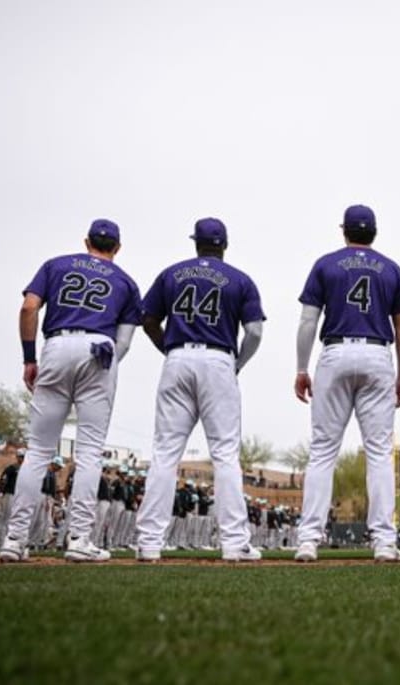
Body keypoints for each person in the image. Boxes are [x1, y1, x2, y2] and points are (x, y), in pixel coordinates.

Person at [0, 219, 141, 563]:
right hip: (99, 348)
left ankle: (15, 539)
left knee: (37, 452)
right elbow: (123, 342)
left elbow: (28, 308)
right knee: (90, 452)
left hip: (57, 344)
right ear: (117, 248)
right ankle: (79, 539)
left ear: (86, 241)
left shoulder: (55, 264)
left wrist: (29, 358)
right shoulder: (125, 280)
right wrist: (109, 360)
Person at [135, 219, 264, 563]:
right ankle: (234, 543)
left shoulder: (171, 273)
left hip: (178, 358)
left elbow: (147, 319)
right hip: (219, 360)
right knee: (224, 455)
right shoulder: (240, 279)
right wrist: (237, 363)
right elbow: (254, 332)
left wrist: (171, 350)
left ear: (196, 243)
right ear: (225, 244)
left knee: (165, 453)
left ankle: (149, 543)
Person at [292, 205, 400, 563]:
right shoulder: (391, 268)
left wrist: (301, 367)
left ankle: (308, 540)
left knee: (323, 451)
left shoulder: (326, 264)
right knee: (378, 453)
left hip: (336, 350)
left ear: (344, 230)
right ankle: (384, 542)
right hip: (377, 354)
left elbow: (307, 321)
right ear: (374, 233)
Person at [0, 449, 22, 545]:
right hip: (9, 493)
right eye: (21, 457)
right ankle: (0, 542)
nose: (22, 459)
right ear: (17, 457)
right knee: (5, 518)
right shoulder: (11, 468)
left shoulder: (26, 470)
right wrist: (1, 490)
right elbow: (3, 480)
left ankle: (9, 541)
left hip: (19, 496)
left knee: (14, 519)